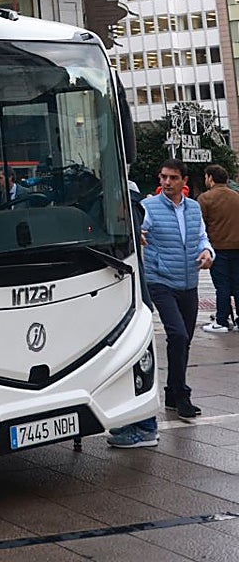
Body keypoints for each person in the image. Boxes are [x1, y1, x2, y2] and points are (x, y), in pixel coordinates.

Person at [141, 159, 213, 421]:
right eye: (163, 178)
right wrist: (138, 234)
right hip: (160, 280)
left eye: (172, 178)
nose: (167, 183)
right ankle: (182, 395)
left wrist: (207, 252)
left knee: (184, 341)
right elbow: (136, 228)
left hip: (189, 282)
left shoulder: (194, 208)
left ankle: (172, 391)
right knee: (178, 335)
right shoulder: (148, 207)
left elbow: (202, 236)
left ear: (184, 180)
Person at [108, 180, 160, 447]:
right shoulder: (133, 202)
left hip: (134, 295)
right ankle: (134, 421)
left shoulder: (130, 201)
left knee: (139, 362)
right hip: (129, 293)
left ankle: (146, 428)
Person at [198, 163, 239, 333]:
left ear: (211, 178)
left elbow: (200, 225)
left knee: (222, 286)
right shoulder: (236, 196)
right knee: (237, 284)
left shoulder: (205, 198)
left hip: (218, 248)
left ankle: (222, 320)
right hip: (237, 247)